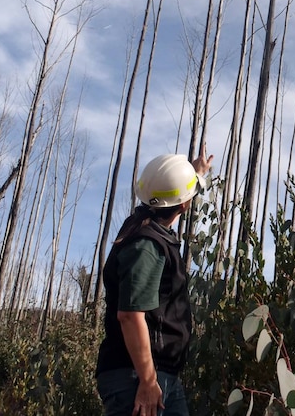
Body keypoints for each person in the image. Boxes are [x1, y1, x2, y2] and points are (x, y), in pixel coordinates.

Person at [96, 149, 213, 416]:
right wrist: (148, 380)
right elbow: (129, 315)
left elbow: (171, 199)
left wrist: (196, 174)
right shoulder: (147, 246)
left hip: (157, 375)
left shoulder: (145, 224)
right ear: (183, 206)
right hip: (137, 377)